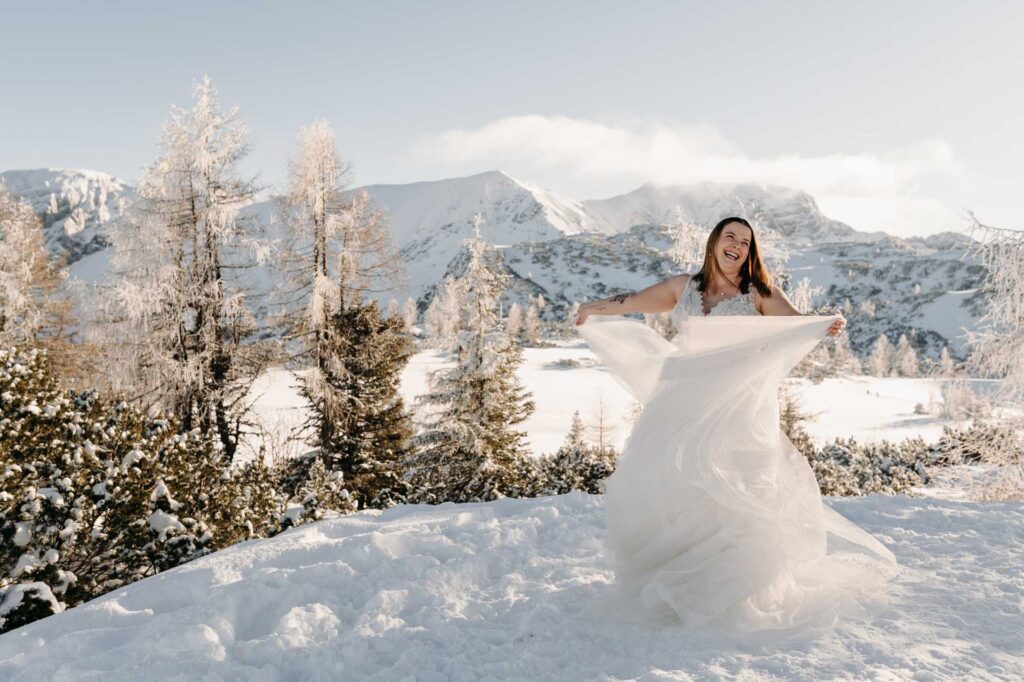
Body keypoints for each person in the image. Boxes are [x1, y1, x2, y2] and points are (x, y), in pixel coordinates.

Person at [574, 217, 898, 642]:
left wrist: (824, 324)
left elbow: (795, 322)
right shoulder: (683, 287)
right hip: (681, 403)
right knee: (674, 485)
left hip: (734, 409)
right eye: (730, 237)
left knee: (731, 491)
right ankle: (673, 573)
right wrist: (591, 309)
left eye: (745, 242)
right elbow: (633, 300)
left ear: (750, 252)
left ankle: (730, 588)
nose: (737, 246)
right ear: (714, 242)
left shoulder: (759, 293)